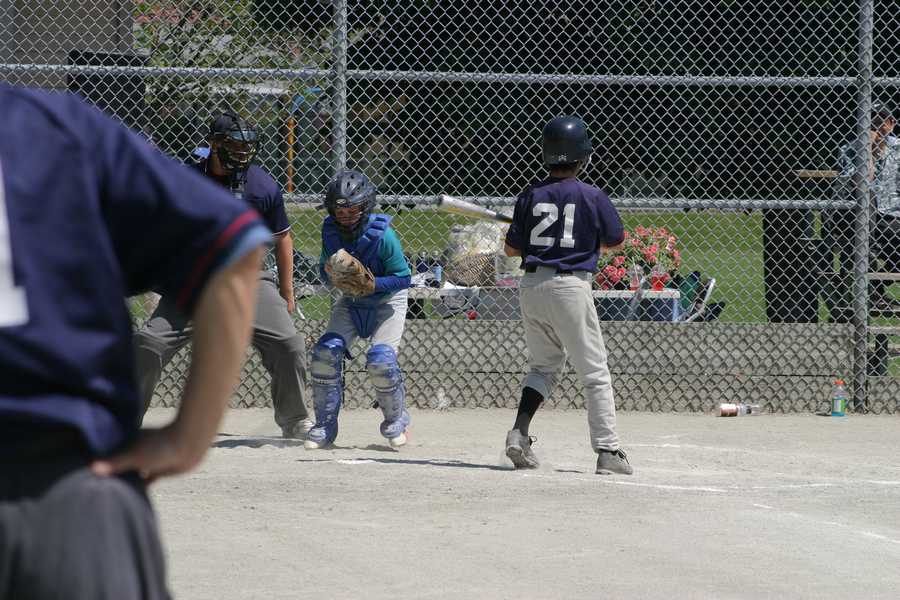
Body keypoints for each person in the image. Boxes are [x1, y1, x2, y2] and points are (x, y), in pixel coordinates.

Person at [0, 84, 269, 598]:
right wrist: (188, 440)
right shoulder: (46, 125)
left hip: (67, 481)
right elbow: (233, 244)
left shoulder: (258, 183)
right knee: (150, 341)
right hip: (68, 488)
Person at [134, 110, 313, 438]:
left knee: (289, 343)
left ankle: (295, 420)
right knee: (149, 343)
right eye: (234, 145)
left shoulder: (261, 185)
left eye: (248, 147)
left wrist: (287, 292)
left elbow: (283, 237)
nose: (243, 153)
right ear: (214, 144)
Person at [502, 115, 632, 475]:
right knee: (594, 372)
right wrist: (586, 242)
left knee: (543, 366)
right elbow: (617, 240)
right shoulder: (592, 195)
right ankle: (608, 451)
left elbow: (512, 250)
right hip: (570, 288)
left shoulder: (530, 195)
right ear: (582, 157)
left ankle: (519, 434)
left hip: (532, 288)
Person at [304, 170, 412, 449]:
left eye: (353, 210)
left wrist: (373, 284)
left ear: (366, 206)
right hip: (352, 301)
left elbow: (403, 278)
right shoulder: (330, 230)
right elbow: (324, 269)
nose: (346, 216)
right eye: (340, 211)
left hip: (387, 302)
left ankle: (396, 419)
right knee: (325, 353)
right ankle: (325, 425)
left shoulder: (383, 235)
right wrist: (331, 272)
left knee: (381, 360)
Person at [830, 101, 900, 311]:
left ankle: (875, 288)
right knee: (866, 203)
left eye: (879, 123)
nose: (874, 129)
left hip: (892, 215)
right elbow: (862, 182)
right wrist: (867, 149)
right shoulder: (850, 149)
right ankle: (873, 293)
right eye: (868, 124)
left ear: (891, 123)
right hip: (856, 216)